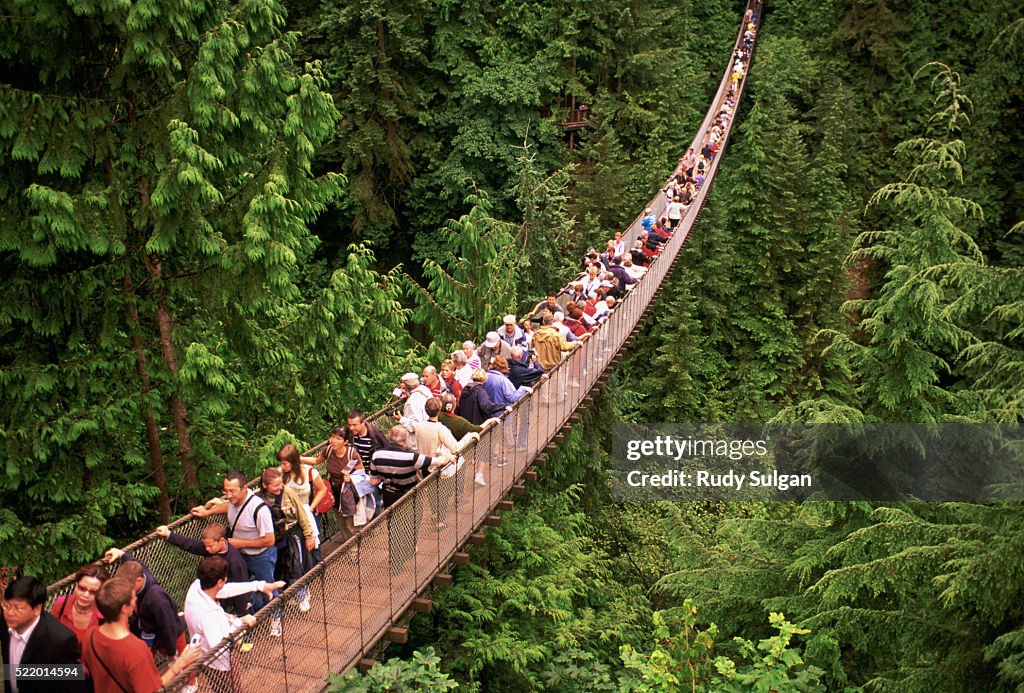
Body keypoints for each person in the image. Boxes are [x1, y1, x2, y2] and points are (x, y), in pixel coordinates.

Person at [81, 577, 199, 693]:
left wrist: (63, 675)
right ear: (124, 608)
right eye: (133, 597)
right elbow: (154, 689)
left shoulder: (90, 636)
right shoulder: (136, 650)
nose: (136, 599)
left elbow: (85, 671)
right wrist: (181, 662)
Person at [183, 557, 283, 692]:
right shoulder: (208, 615)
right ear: (219, 582)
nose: (226, 581)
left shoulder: (197, 587)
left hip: (205, 657)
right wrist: (239, 622)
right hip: (218, 665)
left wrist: (259, 585)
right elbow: (220, 646)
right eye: (225, 579)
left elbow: (225, 590)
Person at [190, 471, 276, 614]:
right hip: (241, 555)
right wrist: (207, 512)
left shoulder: (260, 510)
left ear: (244, 488)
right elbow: (226, 506)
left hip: (261, 557)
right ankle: (260, 611)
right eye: (226, 491)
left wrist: (240, 543)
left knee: (267, 587)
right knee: (244, 587)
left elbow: (269, 540)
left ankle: (276, 616)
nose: (228, 495)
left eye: (232, 491)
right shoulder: (232, 502)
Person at [2, 576, 85, 693]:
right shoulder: (7, 620)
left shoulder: (60, 640)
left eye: (17, 608)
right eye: (7, 605)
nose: (9, 613)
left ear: (37, 609)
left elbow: (73, 688)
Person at [101, 553, 185, 662]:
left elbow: (168, 625)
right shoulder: (141, 575)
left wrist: (171, 653)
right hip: (149, 632)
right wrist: (121, 554)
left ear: (139, 581)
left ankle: (192, 678)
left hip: (171, 637)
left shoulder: (157, 599)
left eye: (128, 587)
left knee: (182, 666)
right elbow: (136, 563)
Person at [154, 523, 250, 616]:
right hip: (211, 593)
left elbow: (242, 584)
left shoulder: (235, 561)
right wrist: (168, 534)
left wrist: (241, 612)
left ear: (221, 541)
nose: (207, 549)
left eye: (210, 546)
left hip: (226, 595)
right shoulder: (210, 548)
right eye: (205, 546)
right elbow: (190, 544)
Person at [258, 467, 313, 616]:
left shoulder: (288, 492)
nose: (280, 487)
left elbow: (302, 514)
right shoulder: (258, 498)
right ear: (265, 485)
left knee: (295, 566)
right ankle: (284, 598)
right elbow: (237, 500)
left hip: (291, 534)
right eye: (275, 485)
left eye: (281, 483)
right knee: (279, 570)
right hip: (273, 540)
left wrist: (309, 535)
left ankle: (302, 595)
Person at [369, 426, 454, 509]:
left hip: (389, 496)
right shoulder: (412, 457)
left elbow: (373, 481)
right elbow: (439, 462)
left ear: (389, 437)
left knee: (392, 521)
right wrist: (448, 457)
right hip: (409, 497)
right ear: (405, 440)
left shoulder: (377, 455)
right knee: (410, 522)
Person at [278, 444, 326, 565]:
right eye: (281, 463)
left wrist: (311, 507)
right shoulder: (279, 473)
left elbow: (322, 489)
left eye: (285, 463)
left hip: (306, 511)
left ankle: (314, 571)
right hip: (289, 516)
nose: (282, 466)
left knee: (311, 545)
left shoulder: (310, 472)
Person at [51, 564, 108, 649]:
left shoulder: (106, 615)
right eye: (82, 588)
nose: (85, 595)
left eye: (93, 592)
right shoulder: (62, 603)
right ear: (76, 585)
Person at [394, 372, 433, 450]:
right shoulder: (424, 390)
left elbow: (415, 425)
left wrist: (401, 419)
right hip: (430, 431)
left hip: (417, 444)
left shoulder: (412, 403)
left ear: (405, 386)